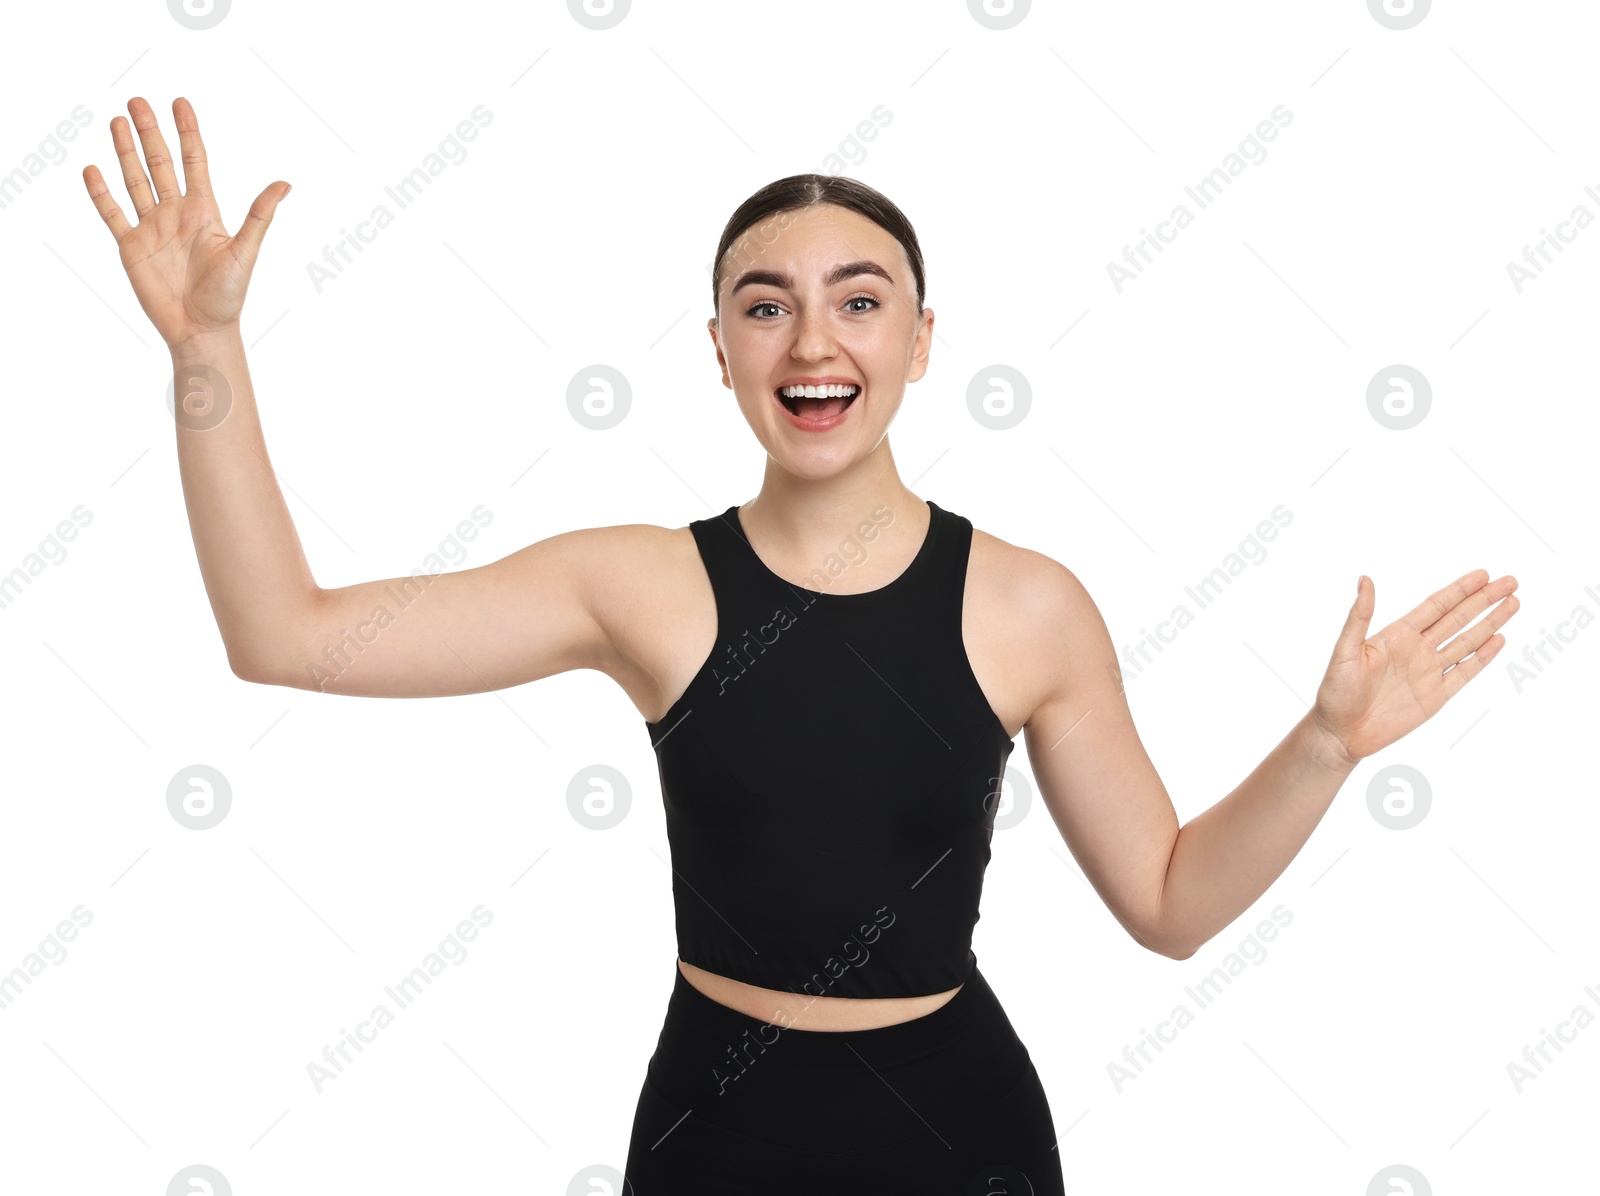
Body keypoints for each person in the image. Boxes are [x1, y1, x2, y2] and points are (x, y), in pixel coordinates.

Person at [83, 96, 1520, 1194]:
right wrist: (206, 357)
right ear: (718, 347)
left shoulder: (1027, 605)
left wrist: (1325, 746)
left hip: (961, 1128)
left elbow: (1168, 902)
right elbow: (288, 637)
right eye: (765, 304)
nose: (811, 341)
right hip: (719, 1123)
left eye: (859, 299)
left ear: (920, 337)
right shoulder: (637, 586)